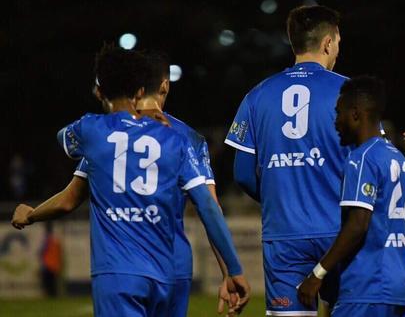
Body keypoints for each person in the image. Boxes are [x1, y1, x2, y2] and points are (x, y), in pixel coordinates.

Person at [225, 5, 405, 317]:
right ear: (327, 43)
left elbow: (242, 172)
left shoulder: (257, 95)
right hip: (340, 232)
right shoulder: (350, 96)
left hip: (285, 233)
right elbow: (378, 159)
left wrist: (282, 197)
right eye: (338, 42)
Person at [11, 45, 248, 317]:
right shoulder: (182, 139)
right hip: (170, 268)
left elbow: (68, 187)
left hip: (118, 270)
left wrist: (30, 214)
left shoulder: (96, 135)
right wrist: (231, 270)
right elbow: (210, 207)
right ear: (162, 86)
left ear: (100, 91)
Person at [297, 76, 405, 317]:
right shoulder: (401, 161)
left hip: (367, 288)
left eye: (339, 113)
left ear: (355, 114)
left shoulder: (362, 159)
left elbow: (358, 224)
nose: (336, 122)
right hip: (401, 288)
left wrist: (317, 273)